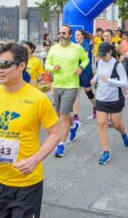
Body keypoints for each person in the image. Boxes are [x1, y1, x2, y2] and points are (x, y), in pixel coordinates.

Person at [0, 43, 60, 218]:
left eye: (5, 65)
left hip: (27, 185)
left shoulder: (38, 99)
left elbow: (55, 133)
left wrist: (35, 159)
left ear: (22, 65)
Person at [45, 25, 89, 157]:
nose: (61, 35)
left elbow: (86, 59)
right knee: (60, 114)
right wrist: (53, 68)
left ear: (70, 35)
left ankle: (61, 145)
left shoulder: (77, 48)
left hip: (71, 86)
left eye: (64, 33)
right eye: (59, 33)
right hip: (57, 85)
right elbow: (47, 64)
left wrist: (81, 67)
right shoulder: (53, 49)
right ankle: (73, 126)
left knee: (63, 116)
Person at [91, 42, 128, 165]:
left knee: (116, 124)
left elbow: (125, 83)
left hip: (114, 99)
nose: (102, 57)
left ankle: (123, 133)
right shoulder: (99, 62)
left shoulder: (117, 65)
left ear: (110, 52)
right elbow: (99, 73)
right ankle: (106, 152)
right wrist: (94, 79)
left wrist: (110, 80)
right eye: (100, 55)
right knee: (101, 124)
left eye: (104, 55)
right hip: (101, 97)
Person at [72, 30, 96, 124]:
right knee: (75, 93)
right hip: (75, 72)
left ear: (82, 36)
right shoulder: (73, 46)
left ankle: (95, 106)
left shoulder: (85, 45)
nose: (76, 36)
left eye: (78, 35)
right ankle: (75, 116)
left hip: (85, 71)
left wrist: (80, 67)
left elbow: (85, 58)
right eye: (75, 35)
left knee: (88, 91)